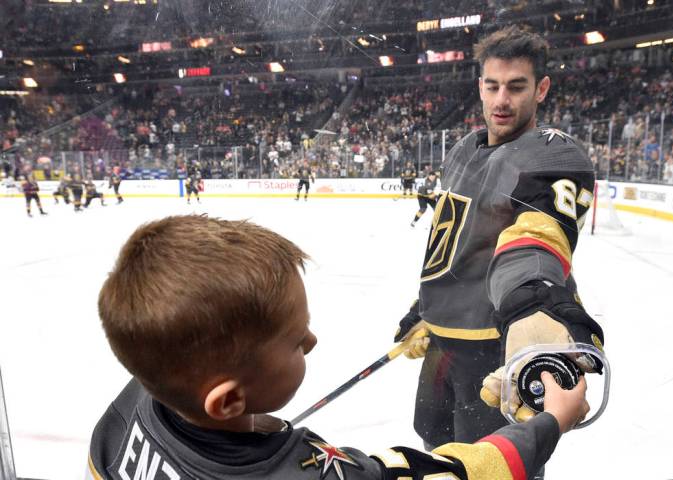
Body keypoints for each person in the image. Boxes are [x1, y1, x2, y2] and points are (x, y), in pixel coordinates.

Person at [87, 215, 590, 480]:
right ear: (227, 400)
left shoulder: (128, 412)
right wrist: (551, 422)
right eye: (294, 342)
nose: (312, 339)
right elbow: (460, 474)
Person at [393, 25, 605, 458]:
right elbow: (452, 243)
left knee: (497, 465)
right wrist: (426, 308)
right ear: (480, 87)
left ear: (541, 88)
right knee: (433, 453)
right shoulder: (462, 152)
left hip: (499, 349)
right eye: (492, 86)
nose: (502, 100)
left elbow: (534, 241)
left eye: (516, 86)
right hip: (442, 344)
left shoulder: (552, 156)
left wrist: (533, 307)